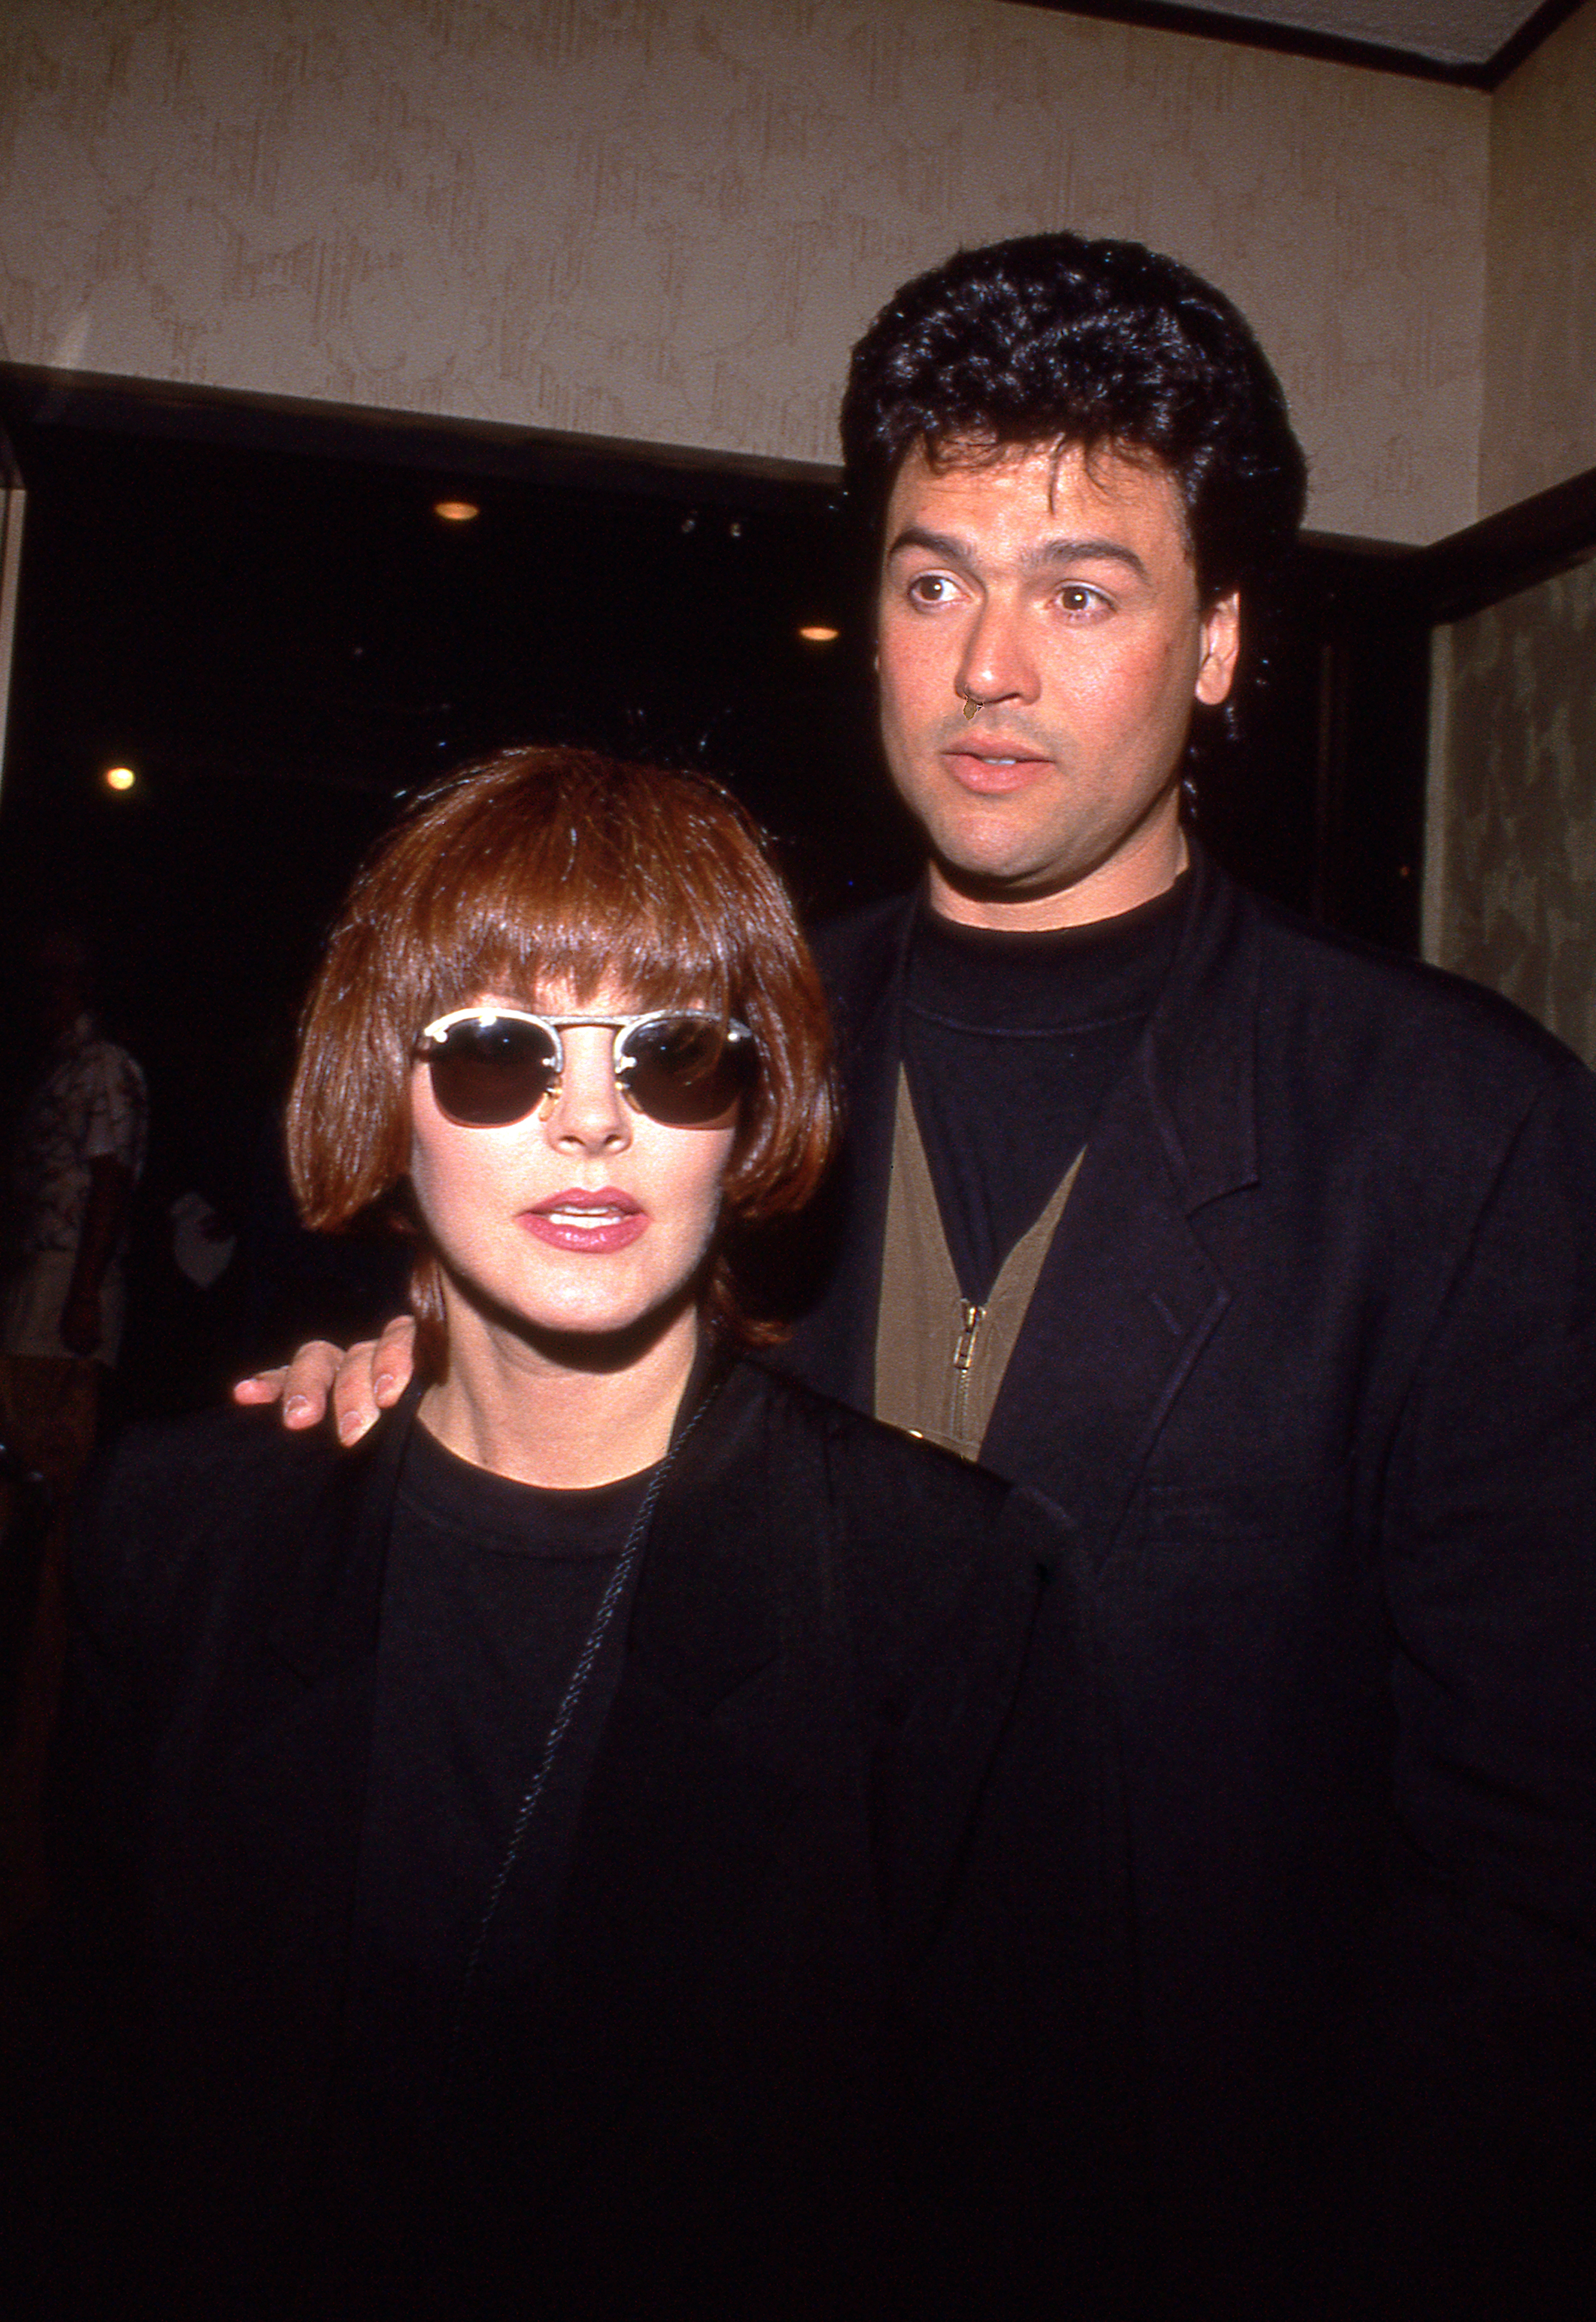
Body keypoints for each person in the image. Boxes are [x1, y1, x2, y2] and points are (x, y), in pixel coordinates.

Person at [251, 235, 1596, 2314]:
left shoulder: (1458, 1134)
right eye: (932, 577)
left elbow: (1526, 1878)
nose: (988, 664)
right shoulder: (724, 1067)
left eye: (1081, 590)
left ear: (1221, 645)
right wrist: (431, 1390)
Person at [41, 747, 1112, 2321]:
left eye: (674, 1054)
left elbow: (1025, 2215)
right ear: (377, 1092)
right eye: (496, 1052)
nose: (592, 1119)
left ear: (744, 1120)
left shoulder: (947, 1595)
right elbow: (90, 2123)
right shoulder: (178, 1533)